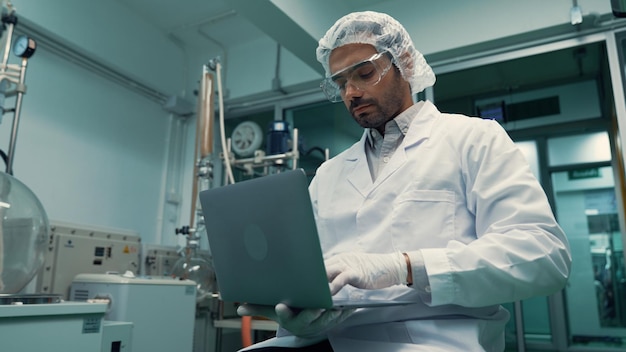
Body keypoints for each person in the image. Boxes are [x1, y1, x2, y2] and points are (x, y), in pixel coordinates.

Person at [237, 11, 571, 351]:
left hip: (437, 341)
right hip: (329, 341)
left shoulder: (473, 139)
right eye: (340, 83)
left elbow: (544, 255)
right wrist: (299, 315)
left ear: (405, 61)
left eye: (364, 73)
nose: (351, 92)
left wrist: (404, 267)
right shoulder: (328, 173)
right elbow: (308, 273)